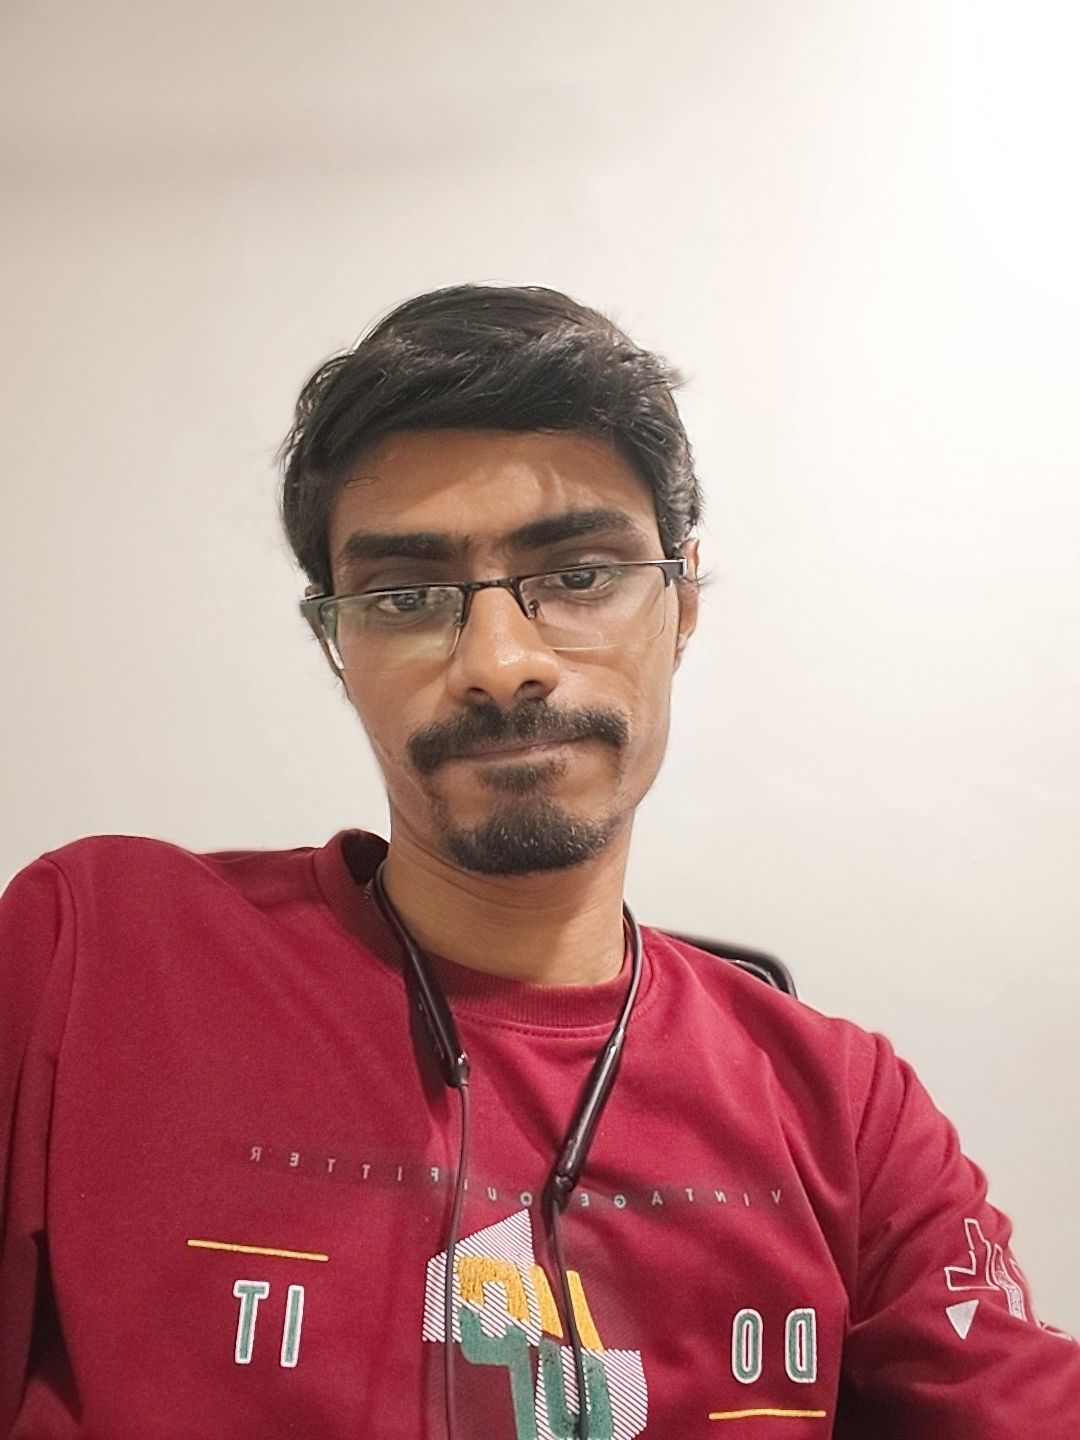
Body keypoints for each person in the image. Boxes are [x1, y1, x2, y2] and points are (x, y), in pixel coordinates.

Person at [1, 284, 1077, 1440]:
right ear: (335, 642)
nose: (500, 662)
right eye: (406, 595)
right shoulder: (98, 954)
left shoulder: (845, 1113)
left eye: (578, 575)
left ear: (683, 602)